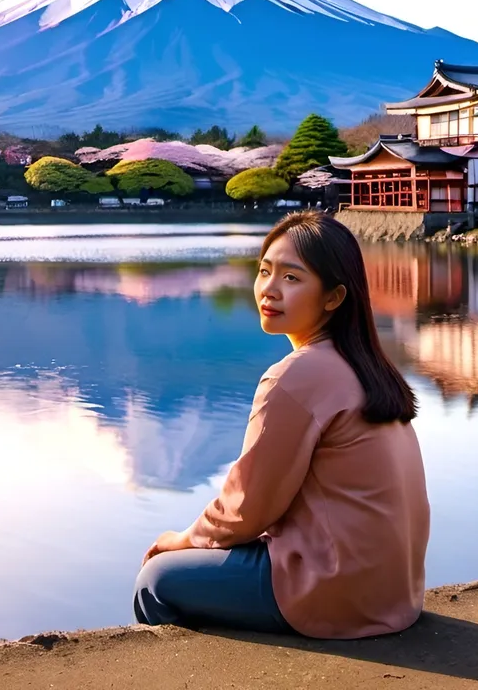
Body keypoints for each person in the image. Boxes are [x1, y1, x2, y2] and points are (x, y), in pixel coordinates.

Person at [132, 211, 430, 639]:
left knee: (157, 579)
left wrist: (181, 540)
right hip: (395, 593)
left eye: (291, 278)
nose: (269, 289)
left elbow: (247, 508)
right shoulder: (367, 367)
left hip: (335, 593)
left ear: (333, 297)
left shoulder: (296, 376)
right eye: (265, 271)